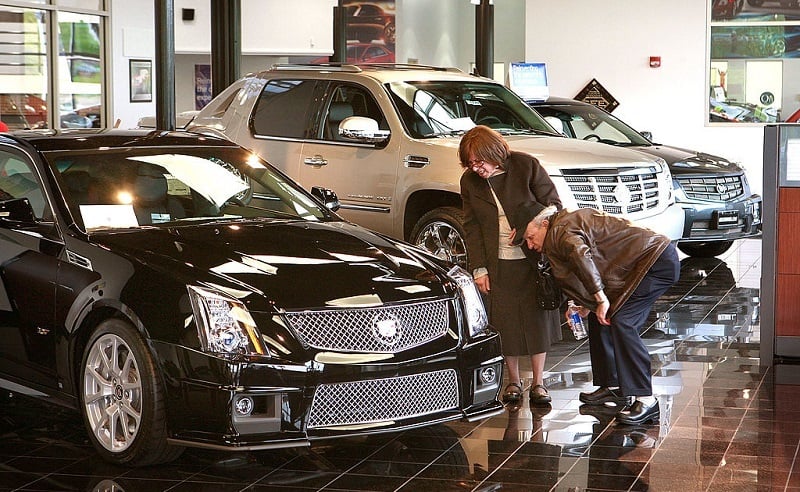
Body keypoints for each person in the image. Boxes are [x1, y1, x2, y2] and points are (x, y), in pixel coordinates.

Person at [510, 201, 679, 425]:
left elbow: (583, 258)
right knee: (602, 320)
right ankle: (613, 386)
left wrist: (598, 298)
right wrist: (588, 305)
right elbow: (596, 261)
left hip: (654, 262)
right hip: (638, 266)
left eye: (531, 237)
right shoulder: (562, 225)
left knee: (623, 322)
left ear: (543, 224)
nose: (530, 245)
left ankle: (647, 399)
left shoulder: (560, 230)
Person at [458, 125, 562, 406]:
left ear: (493, 152)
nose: (476, 168)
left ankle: (539, 383)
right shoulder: (469, 181)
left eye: (479, 161)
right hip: (498, 262)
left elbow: (553, 205)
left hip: (532, 259)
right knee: (505, 324)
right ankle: (513, 381)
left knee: (536, 322)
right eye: (470, 163)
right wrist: (478, 268)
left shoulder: (526, 165)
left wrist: (529, 223)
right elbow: (472, 227)